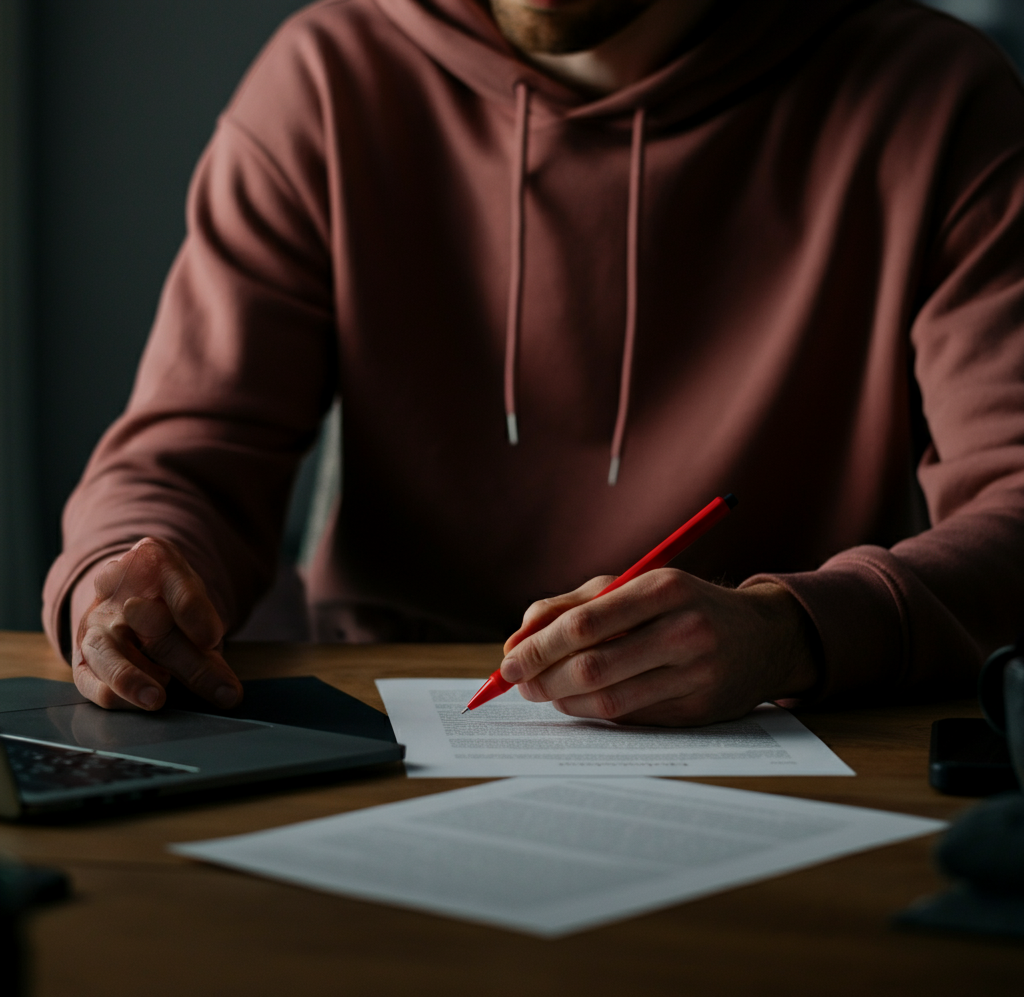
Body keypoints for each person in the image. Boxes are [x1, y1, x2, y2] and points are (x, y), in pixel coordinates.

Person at [43, 0, 1024, 727]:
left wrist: (791, 629)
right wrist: (124, 572)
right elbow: (187, 452)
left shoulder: (936, 100)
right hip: (383, 721)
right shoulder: (329, 80)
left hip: (784, 723)